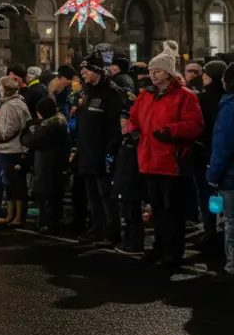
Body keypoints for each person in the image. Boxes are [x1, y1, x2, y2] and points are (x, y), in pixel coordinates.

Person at [130, 41, 203, 271]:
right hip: (149, 160)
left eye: (157, 71)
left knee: (173, 212)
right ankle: (159, 247)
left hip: (171, 162)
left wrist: (170, 131)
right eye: (151, 71)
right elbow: (134, 118)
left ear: (169, 73)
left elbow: (194, 125)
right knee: (157, 210)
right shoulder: (146, 96)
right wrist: (131, 128)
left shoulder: (185, 96)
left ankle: (173, 251)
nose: (152, 75)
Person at [74, 52, 127, 246]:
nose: (83, 74)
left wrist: (110, 152)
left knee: (107, 197)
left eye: (86, 70)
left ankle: (111, 233)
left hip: (104, 154)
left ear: (97, 71)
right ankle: (97, 229)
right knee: (92, 196)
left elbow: (117, 127)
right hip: (87, 153)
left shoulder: (112, 93)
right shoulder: (87, 92)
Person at [193, 60, 226, 260]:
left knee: (206, 196)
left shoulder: (203, 99)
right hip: (220, 156)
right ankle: (219, 233)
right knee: (220, 196)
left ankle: (211, 232)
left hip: (204, 154)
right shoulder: (227, 98)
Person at [21, 96, 70, 232]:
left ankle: (46, 222)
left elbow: (33, 141)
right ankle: (54, 220)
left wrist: (27, 133)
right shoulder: (59, 125)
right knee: (54, 196)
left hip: (47, 166)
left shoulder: (49, 128)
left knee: (46, 195)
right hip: (55, 165)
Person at [0, 75, 31, 227]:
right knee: (9, 183)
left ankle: (18, 216)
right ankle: (10, 214)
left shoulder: (12, 105)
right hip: (7, 148)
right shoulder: (8, 103)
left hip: (12, 149)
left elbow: (11, 128)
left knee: (16, 184)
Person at [207, 63, 234, 281]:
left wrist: (213, 175)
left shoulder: (230, 106)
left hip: (230, 176)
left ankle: (232, 265)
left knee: (231, 222)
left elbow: (223, 145)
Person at [111, 113, 145, 254]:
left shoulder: (135, 142)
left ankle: (135, 244)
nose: (123, 126)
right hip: (123, 182)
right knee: (126, 214)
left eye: (125, 123)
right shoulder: (122, 141)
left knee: (133, 214)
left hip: (132, 183)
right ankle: (128, 242)